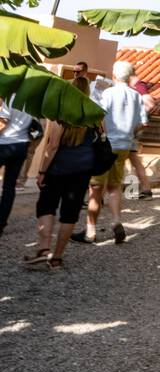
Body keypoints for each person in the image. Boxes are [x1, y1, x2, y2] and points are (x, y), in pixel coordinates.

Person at [24, 77, 102, 269]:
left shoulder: (61, 114)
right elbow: (101, 138)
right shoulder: (94, 115)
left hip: (58, 170)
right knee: (70, 214)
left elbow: (53, 146)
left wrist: (42, 170)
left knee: (46, 207)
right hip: (82, 171)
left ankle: (43, 249)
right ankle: (57, 257)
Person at [80, 61, 148, 244]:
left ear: (115, 75)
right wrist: (130, 133)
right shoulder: (136, 96)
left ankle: (90, 231)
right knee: (115, 187)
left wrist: (103, 133)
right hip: (125, 145)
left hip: (106, 145)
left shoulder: (107, 93)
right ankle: (116, 221)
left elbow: (98, 117)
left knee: (95, 188)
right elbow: (143, 122)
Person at [0, 95, 35, 238]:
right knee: (9, 187)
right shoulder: (32, 100)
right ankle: (1, 223)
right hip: (21, 145)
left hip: (4, 144)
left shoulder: (11, 97)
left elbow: (3, 122)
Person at [128, 71, 155, 199]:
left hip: (130, 130)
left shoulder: (139, 86)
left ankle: (99, 196)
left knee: (117, 161)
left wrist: (137, 121)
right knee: (133, 160)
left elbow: (149, 102)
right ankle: (144, 189)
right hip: (132, 129)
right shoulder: (136, 86)